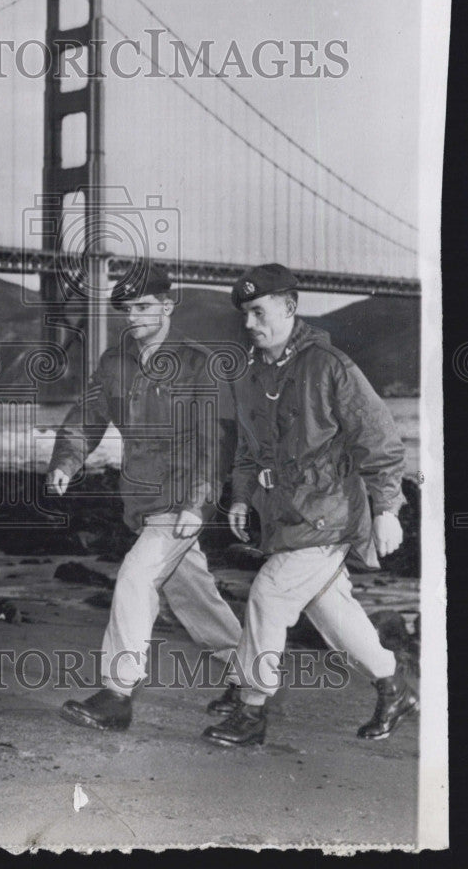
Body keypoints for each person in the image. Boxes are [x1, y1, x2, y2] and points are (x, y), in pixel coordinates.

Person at [202, 263, 418, 747]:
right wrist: (240, 497)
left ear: (290, 308)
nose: (249, 323)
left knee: (269, 594)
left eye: (259, 311)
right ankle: (393, 685)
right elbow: (248, 450)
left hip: (330, 515)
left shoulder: (330, 367)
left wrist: (387, 509)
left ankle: (251, 709)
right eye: (245, 314)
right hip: (286, 519)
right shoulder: (253, 376)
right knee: (330, 609)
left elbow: (380, 440)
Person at [46, 263, 243, 730]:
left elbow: (215, 440)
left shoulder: (199, 364)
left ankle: (117, 694)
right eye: (126, 309)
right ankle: (248, 672)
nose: (133, 317)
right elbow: (86, 417)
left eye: (143, 307)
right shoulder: (115, 363)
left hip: (181, 499)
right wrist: (65, 462)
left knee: (136, 576)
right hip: (141, 500)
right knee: (190, 590)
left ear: (168, 305)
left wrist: (198, 503)